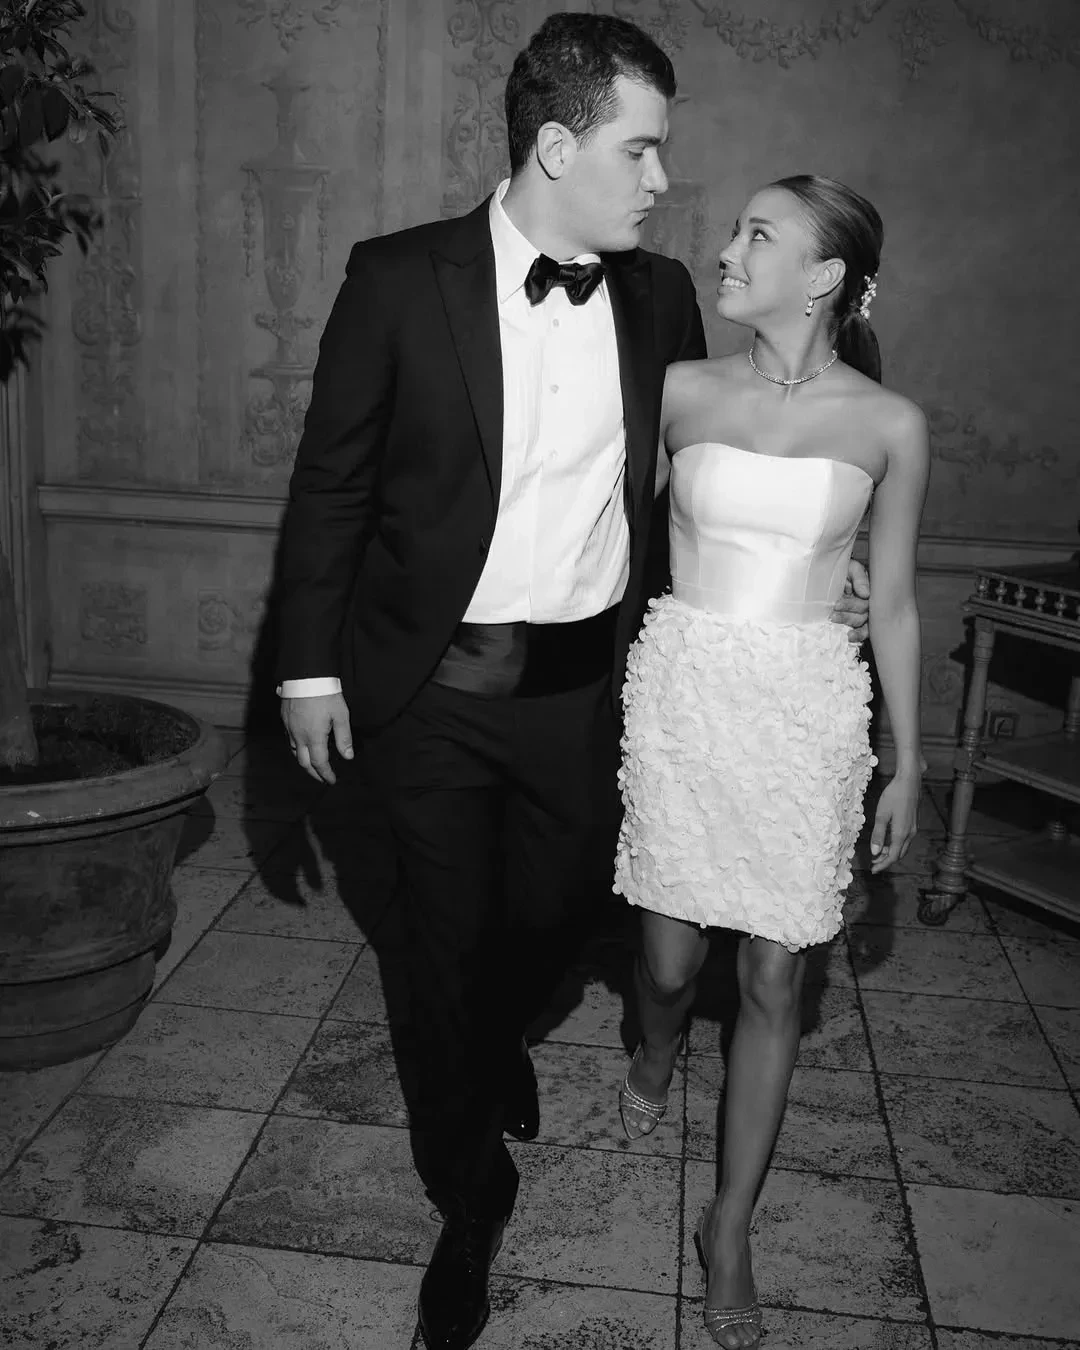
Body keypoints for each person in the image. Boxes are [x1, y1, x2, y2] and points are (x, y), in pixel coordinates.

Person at [275, 12, 870, 1345]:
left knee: (553, 919)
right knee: (438, 951)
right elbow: (331, 485)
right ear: (557, 145)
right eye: (640, 150)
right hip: (428, 690)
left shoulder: (657, 299)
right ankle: (469, 1201)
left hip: (585, 696)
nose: (664, 180)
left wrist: (812, 563)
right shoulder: (397, 278)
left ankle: (493, 1041)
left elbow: (722, 456)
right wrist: (307, 667)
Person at [613, 174, 929, 1348]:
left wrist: (910, 760)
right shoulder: (680, 390)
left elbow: (892, 602)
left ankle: (729, 1224)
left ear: (825, 275)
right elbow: (608, 536)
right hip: (685, 698)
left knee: (773, 981)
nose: (727, 251)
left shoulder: (890, 426)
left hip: (806, 715)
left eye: (758, 235)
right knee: (666, 963)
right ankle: (653, 1045)